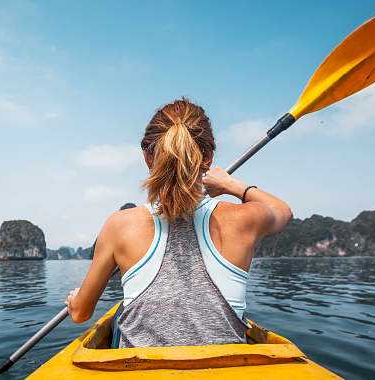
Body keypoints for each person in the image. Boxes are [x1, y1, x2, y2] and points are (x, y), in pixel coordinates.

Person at [65, 98, 292, 348]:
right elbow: (282, 211)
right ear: (208, 157)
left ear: (147, 157)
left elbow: (80, 314)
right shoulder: (242, 220)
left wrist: (75, 300)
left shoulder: (120, 226)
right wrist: (231, 185)